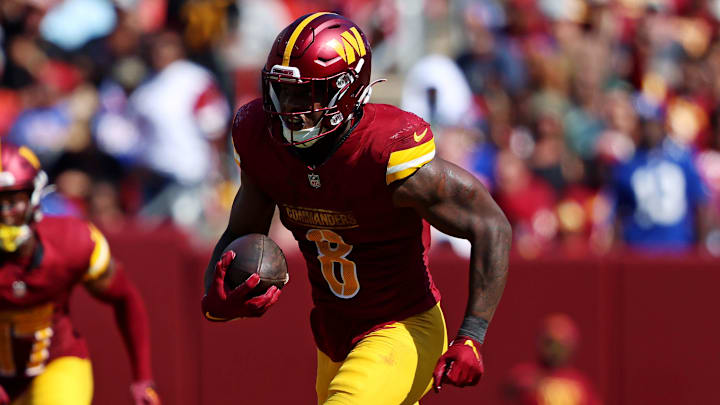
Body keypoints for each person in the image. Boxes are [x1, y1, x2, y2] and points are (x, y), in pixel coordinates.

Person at [201, 12, 512, 405]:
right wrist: (216, 291)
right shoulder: (263, 141)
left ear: (347, 90)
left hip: (403, 327)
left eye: (306, 93)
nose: (289, 107)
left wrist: (472, 336)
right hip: (332, 336)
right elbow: (242, 230)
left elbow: (491, 225)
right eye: (282, 91)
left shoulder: (382, 152)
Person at [0, 143, 160, 405]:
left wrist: (142, 377)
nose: (5, 213)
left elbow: (124, 298)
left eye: (13, 198)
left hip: (55, 367)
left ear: (34, 196)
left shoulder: (72, 241)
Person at [502, 314, 601, 405]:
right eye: (550, 343)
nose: (555, 350)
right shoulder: (526, 374)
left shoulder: (581, 384)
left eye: (561, 345)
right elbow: (508, 390)